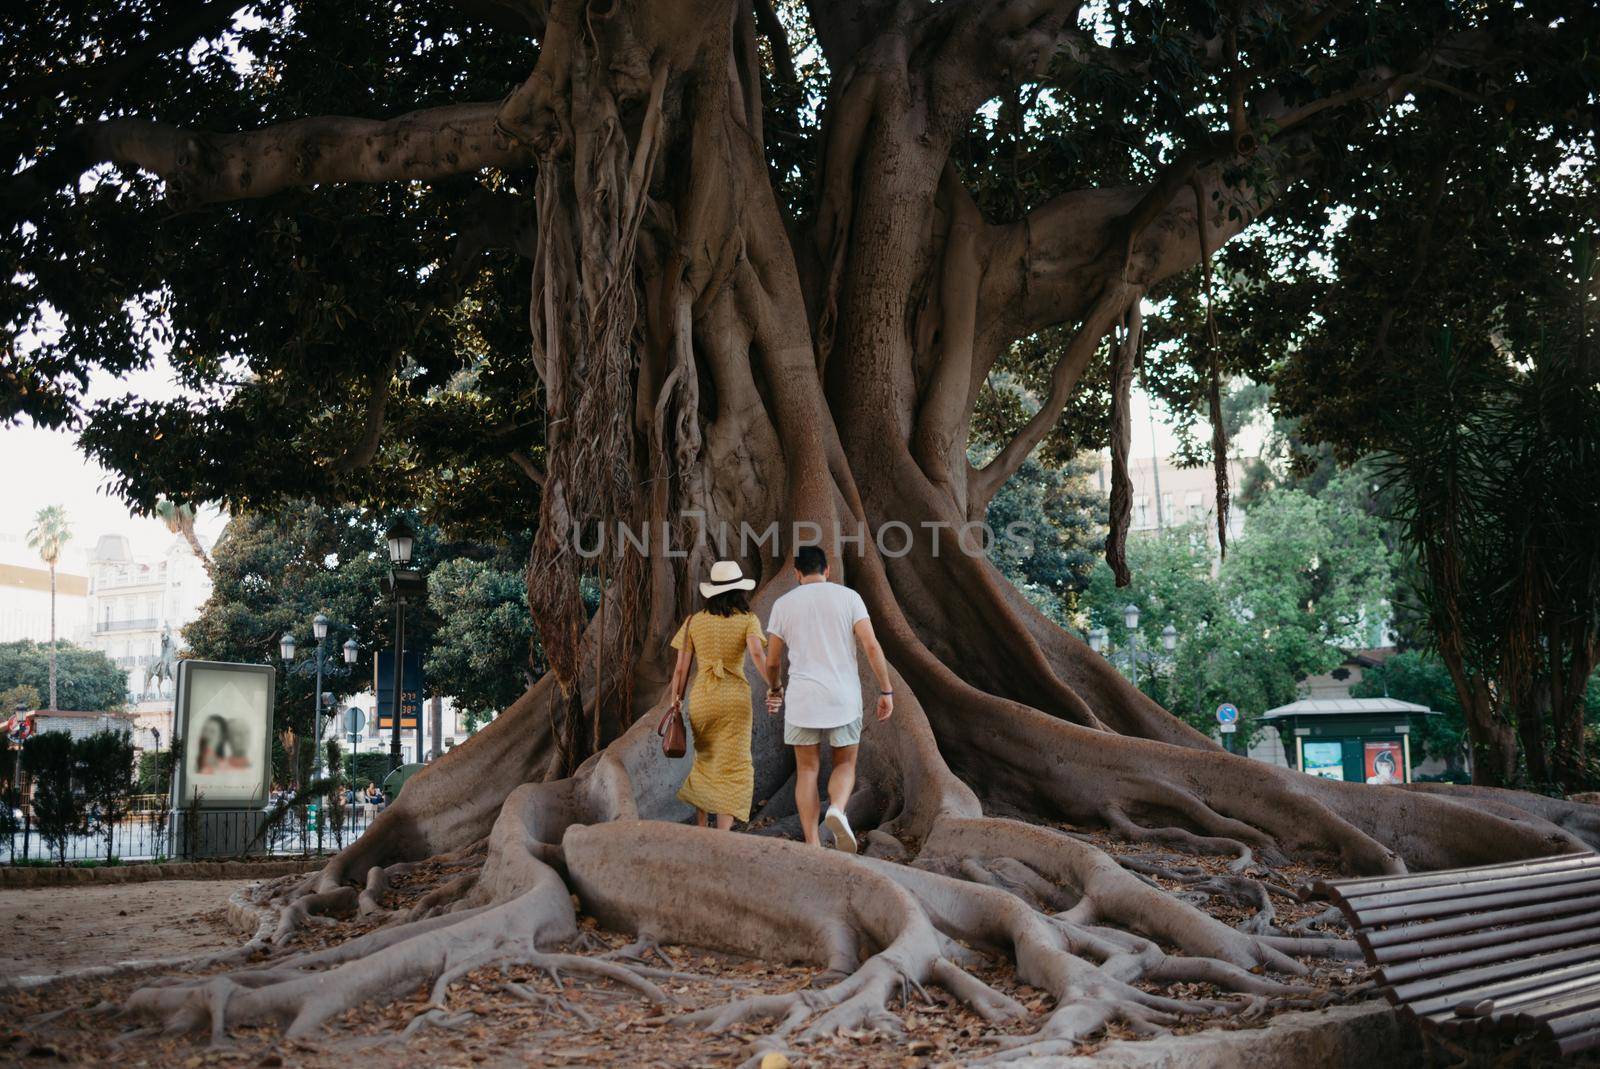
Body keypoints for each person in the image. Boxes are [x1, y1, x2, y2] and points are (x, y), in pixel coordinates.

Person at [764, 546, 893, 852]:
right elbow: (871, 646)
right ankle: (836, 807)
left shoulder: (783, 605)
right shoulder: (849, 598)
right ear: (827, 570)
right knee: (845, 763)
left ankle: (812, 843)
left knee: (807, 770)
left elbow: (771, 661)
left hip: (802, 700)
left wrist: (775, 688)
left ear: (796, 574)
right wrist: (886, 690)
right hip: (843, 699)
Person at [667, 559, 772, 831]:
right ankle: (722, 835)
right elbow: (759, 655)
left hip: (702, 698)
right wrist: (774, 684)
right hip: (735, 699)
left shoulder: (693, 622)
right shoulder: (748, 620)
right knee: (734, 765)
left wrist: (675, 702)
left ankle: (702, 826)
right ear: (739, 591)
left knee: (704, 761)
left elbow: (680, 669)